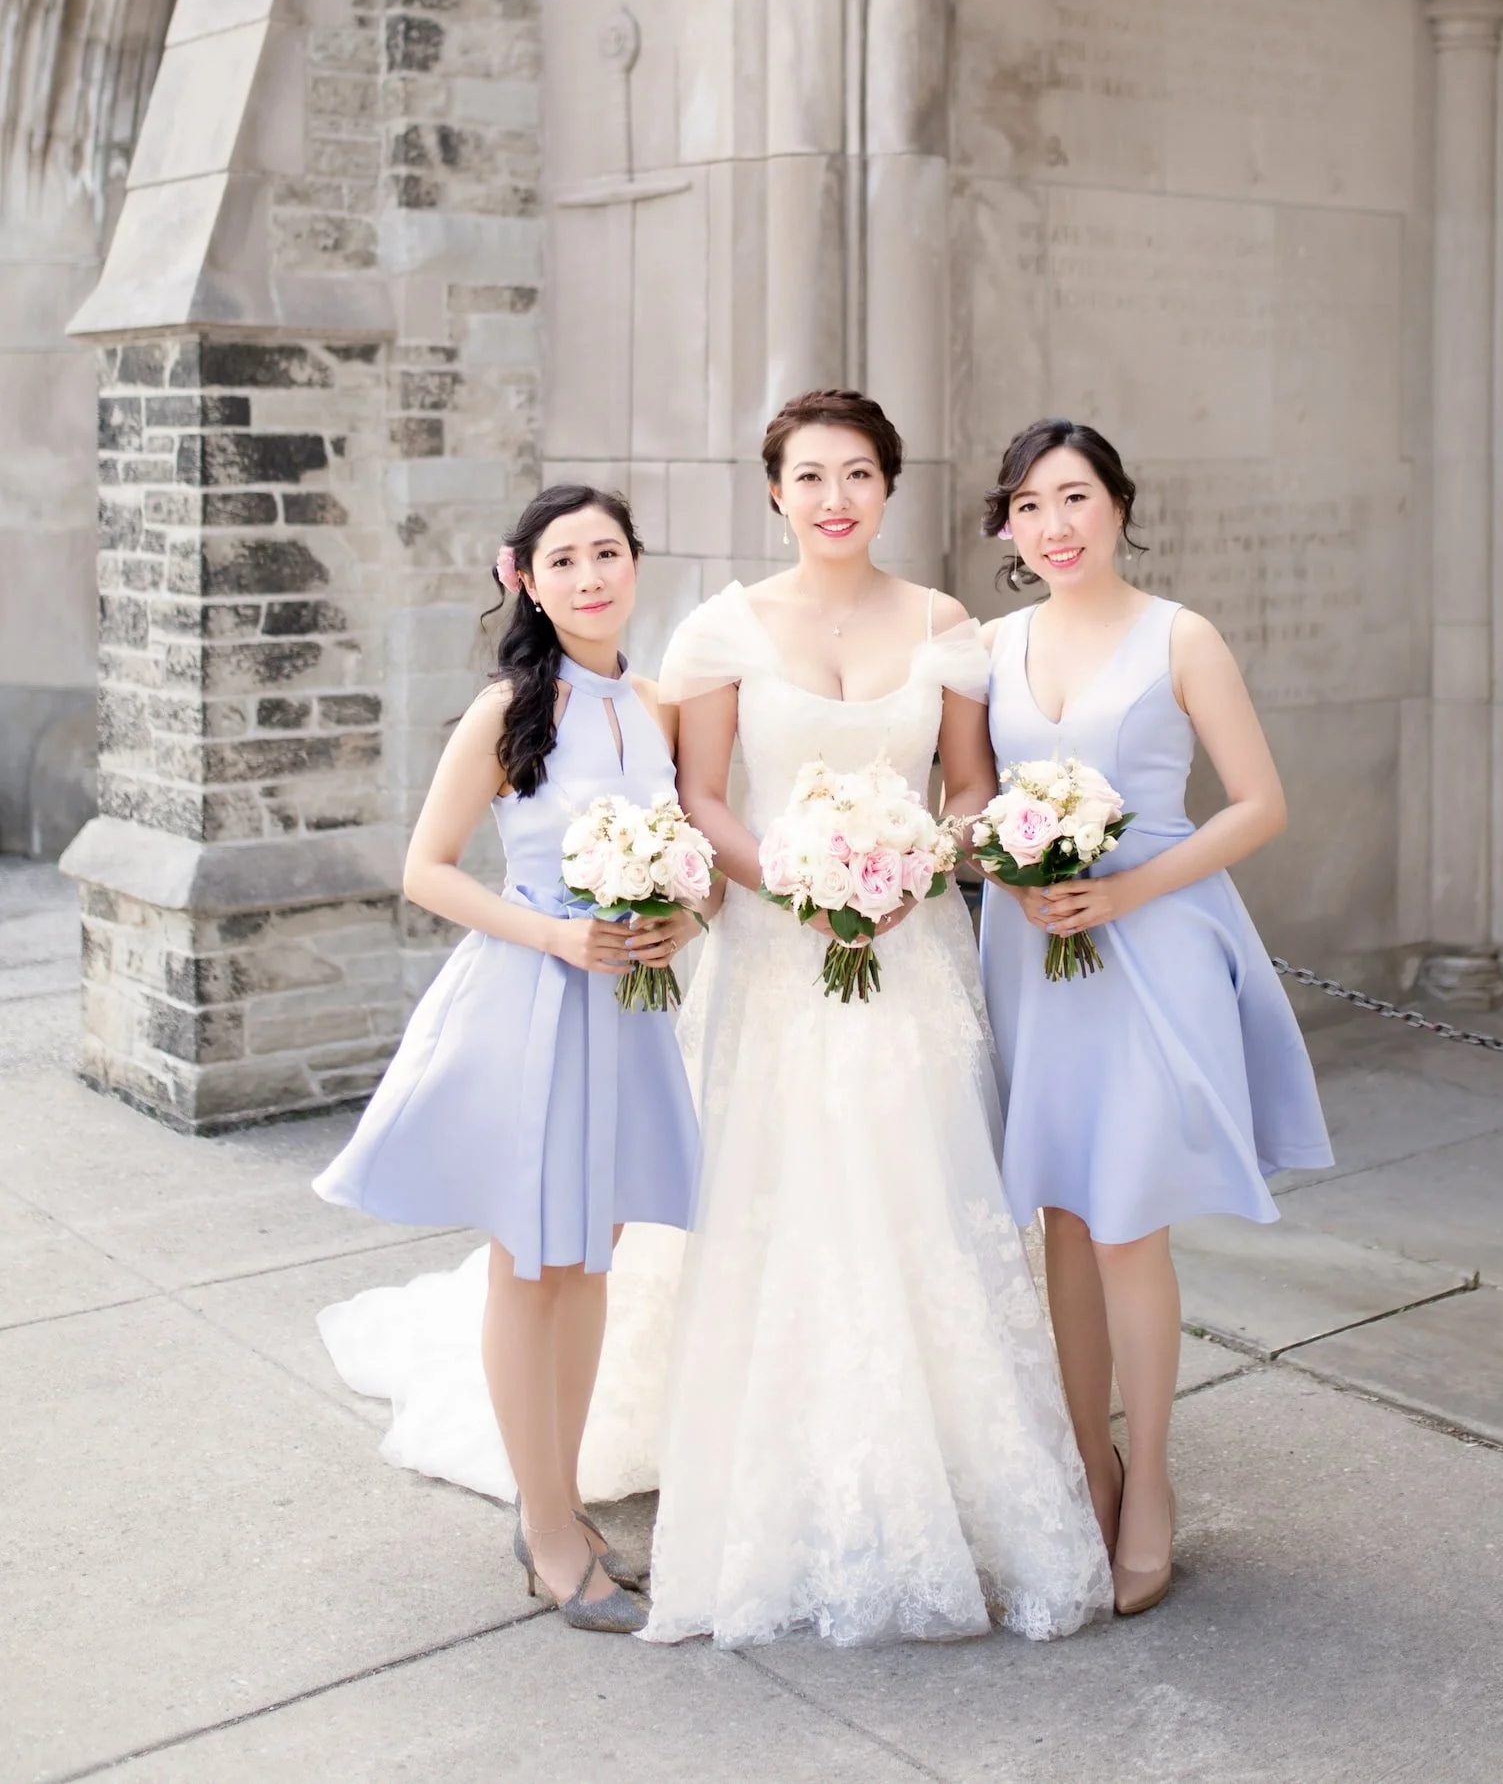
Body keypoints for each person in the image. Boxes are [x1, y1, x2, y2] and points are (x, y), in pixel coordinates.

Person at [640, 387, 1109, 1647]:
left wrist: (910, 867)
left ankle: (954, 1470)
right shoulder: (723, 628)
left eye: (856, 474)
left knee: (917, 1191)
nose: (833, 496)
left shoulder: (943, 623)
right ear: (774, 491)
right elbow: (700, 792)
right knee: (788, 1193)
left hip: (911, 954)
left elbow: (965, 790)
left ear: (886, 489)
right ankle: (785, 1473)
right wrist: (796, 881)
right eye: (809, 475)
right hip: (776, 952)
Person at [313, 485, 707, 1632]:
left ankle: (565, 1495)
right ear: (523, 578)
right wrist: (555, 933)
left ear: (636, 564)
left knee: (594, 1259)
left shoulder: (654, 702)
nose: (590, 575)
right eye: (565, 559)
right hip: (533, 999)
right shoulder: (505, 710)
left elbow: (689, 858)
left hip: (627, 1007)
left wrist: (683, 916)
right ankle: (542, 1530)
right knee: (528, 1264)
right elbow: (426, 867)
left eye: (608, 553)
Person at [979, 419, 1333, 1617]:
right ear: (1008, 528)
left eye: (1073, 497)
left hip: (1157, 932)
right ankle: (1087, 1463)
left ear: (1118, 504)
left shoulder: (1181, 636)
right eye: (1029, 505)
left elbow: (1258, 803)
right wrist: (1012, 873)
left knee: (1128, 1216)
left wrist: (1123, 885)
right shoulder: (989, 645)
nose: (1054, 524)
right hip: (1033, 948)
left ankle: (1153, 1482)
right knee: (1063, 1218)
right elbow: (966, 799)